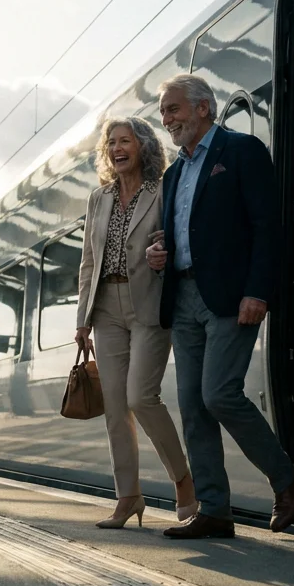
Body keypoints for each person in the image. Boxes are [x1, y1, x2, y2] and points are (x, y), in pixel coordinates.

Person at [146, 73, 294, 539]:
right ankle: (214, 509)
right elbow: (184, 233)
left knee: (219, 394)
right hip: (184, 296)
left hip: (231, 296)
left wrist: (259, 290)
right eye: (163, 112)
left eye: (173, 109)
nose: (166, 119)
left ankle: (287, 478)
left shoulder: (241, 151)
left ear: (203, 108)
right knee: (193, 406)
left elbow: (266, 226)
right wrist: (161, 252)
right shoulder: (173, 172)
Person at [75, 116, 198, 528]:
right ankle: (127, 497)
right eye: (110, 143)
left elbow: (175, 237)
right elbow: (88, 262)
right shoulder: (99, 198)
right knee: (114, 406)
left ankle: (183, 481)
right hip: (105, 306)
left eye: (124, 141)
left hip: (148, 301)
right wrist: (81, 321)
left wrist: (162, 251)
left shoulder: (162, 190)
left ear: (143, 146)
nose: (116, 148)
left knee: (140, 398)